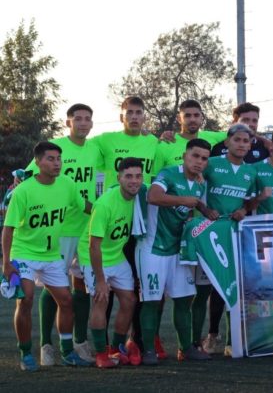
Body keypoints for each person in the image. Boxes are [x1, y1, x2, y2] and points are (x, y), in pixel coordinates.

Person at [23, 104, 102, 365]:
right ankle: (47, 345)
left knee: (82, 286)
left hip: (88, 226)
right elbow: (26, 178)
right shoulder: (54, 147)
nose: (83, 123)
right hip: (60, 229)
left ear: (92, 123)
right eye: (77, 119)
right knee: (54, 286)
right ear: (68, 122)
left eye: (87, 119)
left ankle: (78, 343)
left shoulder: (96, 148)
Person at [2, 142, 90, 370]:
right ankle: (25, 353)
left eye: (58, 159)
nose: (56, 163)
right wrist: (6, 262)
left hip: (51, 255)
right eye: (50, 159)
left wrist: (112, 206)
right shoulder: (23, 191)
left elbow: (86, 207)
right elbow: (8, 228)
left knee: (66, 300)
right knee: (27, 298)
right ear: (38, 162)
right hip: (24, 253)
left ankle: (67, 351)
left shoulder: (68, 184)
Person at [90, 96, 160, 363]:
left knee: (137, 290)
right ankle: (102, 346)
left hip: (141, 224)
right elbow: (76, 147)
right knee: (102, 293)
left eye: (138, 112)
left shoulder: (155, 142)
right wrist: (24, 173)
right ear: (122, 116)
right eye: (129, 112)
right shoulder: (105, 140)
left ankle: (135, 342)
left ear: (144, 117)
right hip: (110, 220)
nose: (133, 116)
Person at [138, 139, 217, 365]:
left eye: (204, 158)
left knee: (184, 299)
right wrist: (185, 200)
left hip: (178, 251)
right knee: (152, 301)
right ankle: (149, 350)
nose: (199, 162)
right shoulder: (169, 173)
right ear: (185, 156)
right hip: (153, 249)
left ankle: (186, 348)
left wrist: (205, 209)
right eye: (195, 156)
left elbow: (194, 203)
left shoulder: (200, 184)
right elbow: (152, 196)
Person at [196, 124, 258, 355]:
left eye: (246, 141)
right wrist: (203, 208)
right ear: (227, 142)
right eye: (238, 140)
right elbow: (196, 188)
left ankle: (233, 341)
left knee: (234, 286)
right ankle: (209, 336)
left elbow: (249, 202)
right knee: (209, 288)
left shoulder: (250, 172)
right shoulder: (212, 163)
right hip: (209, 232)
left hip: (235, 234)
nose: (242, 144)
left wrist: (244, 210)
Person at [80, 158, 143, 367]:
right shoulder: (105, 204)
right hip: (94, 256)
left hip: (116, 255)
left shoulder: (139, 195)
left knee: (129, 300)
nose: (134, 181)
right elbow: (93, 246)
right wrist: (100, 280)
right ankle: (101, 354)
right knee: (101, 298)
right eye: (128, 176)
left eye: (138, 176)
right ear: (119, 178)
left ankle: (116, 348)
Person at [154, 99, 224, 170]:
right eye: (187, 116)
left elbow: (234, 132)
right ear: (179, 119)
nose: (192, 119)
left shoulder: (212, 137)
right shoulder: (166, 144)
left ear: (201, 117)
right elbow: (154, 177)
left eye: (196, 115)